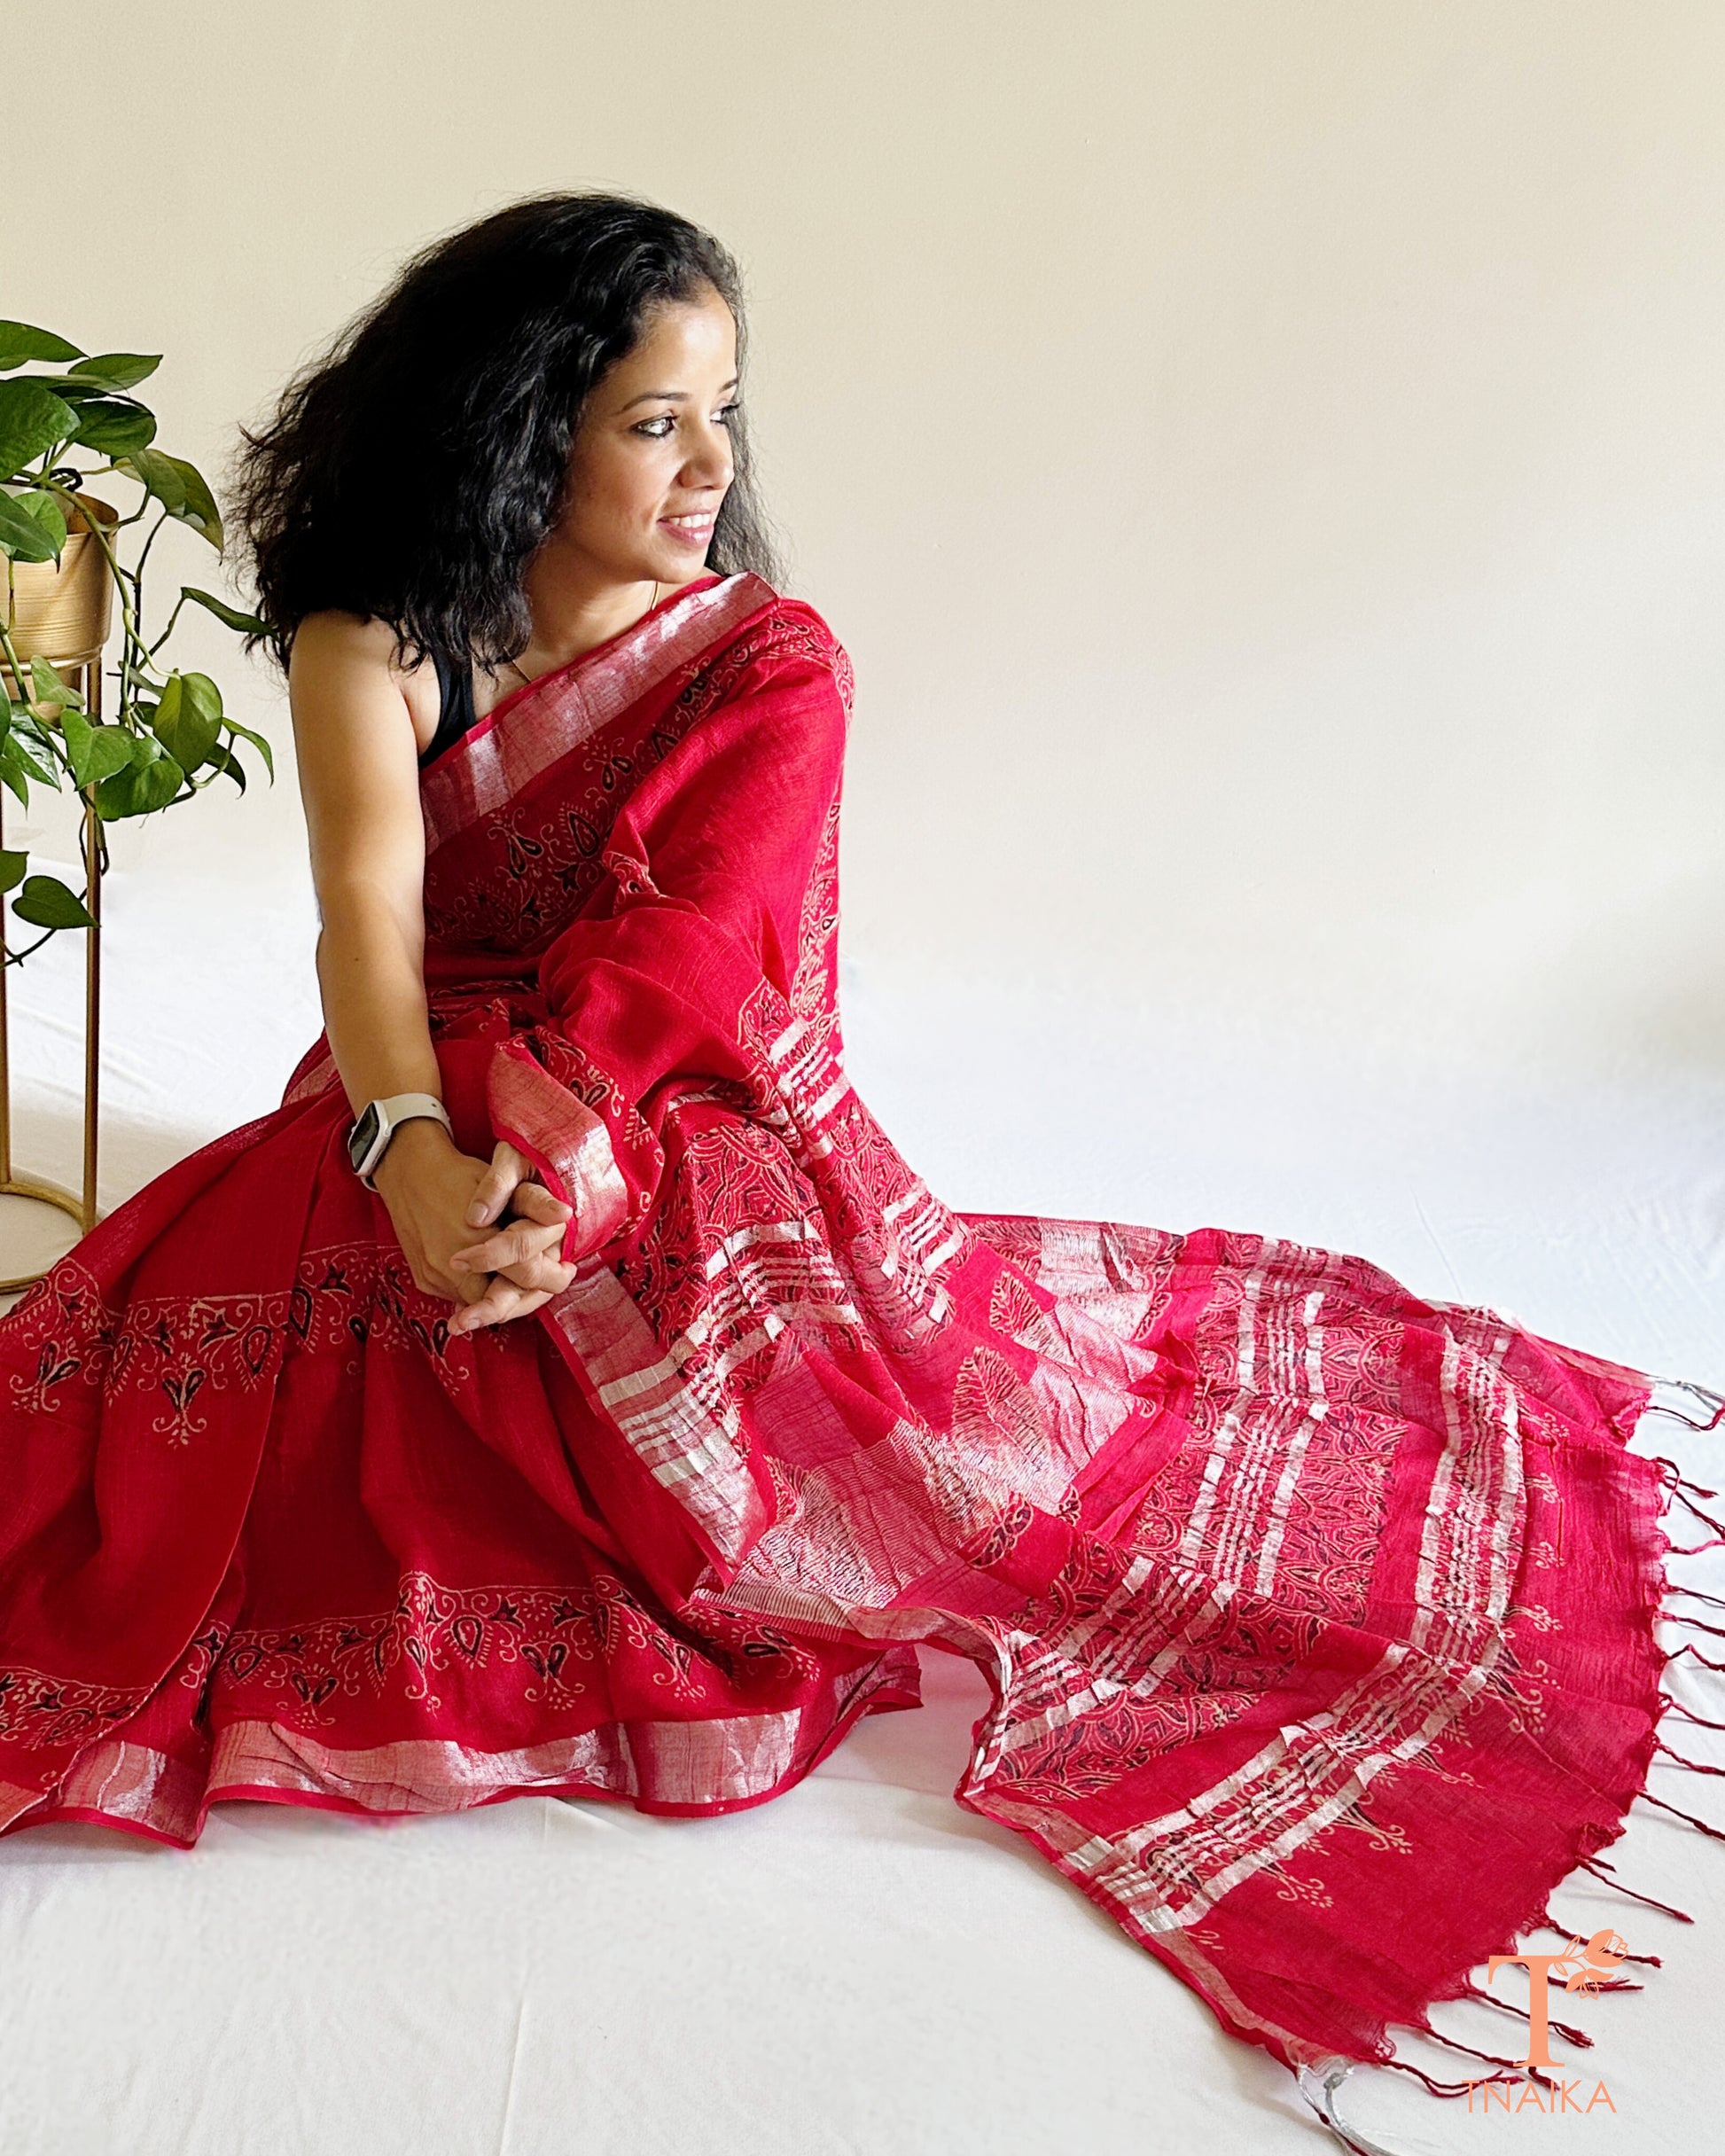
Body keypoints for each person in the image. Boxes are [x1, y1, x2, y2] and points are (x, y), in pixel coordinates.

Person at [1, 191, 1720, 2149]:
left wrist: (548, 1163)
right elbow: (366, 931)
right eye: (657, 420)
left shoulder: (763, 663)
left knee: (699, 1268)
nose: (716, 465)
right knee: (211, 1331)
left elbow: (682, 963)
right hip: (421, 1094)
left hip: (672, 1103)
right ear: (519, 426)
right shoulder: (372, 638)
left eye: (726, 409)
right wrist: (404, 1149)